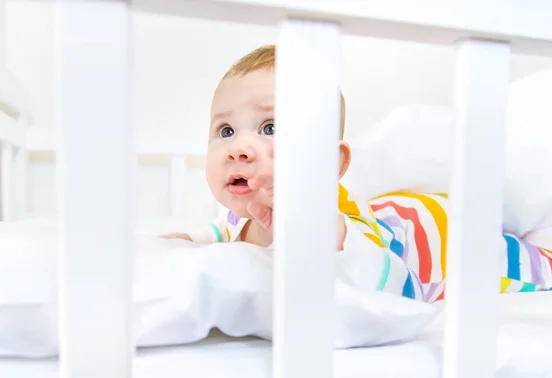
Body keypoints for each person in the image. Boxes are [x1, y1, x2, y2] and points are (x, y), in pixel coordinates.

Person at [161, 45, 552, 302]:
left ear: (332, 165)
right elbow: (222, 233)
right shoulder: (236, 220)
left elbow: (393, 288)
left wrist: (324, 233)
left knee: (514, 264)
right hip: (394, 210)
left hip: (436, 234)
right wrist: (189, 239)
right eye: (225, 131)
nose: (238, 148)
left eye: (270, 127)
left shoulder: (342, 233)